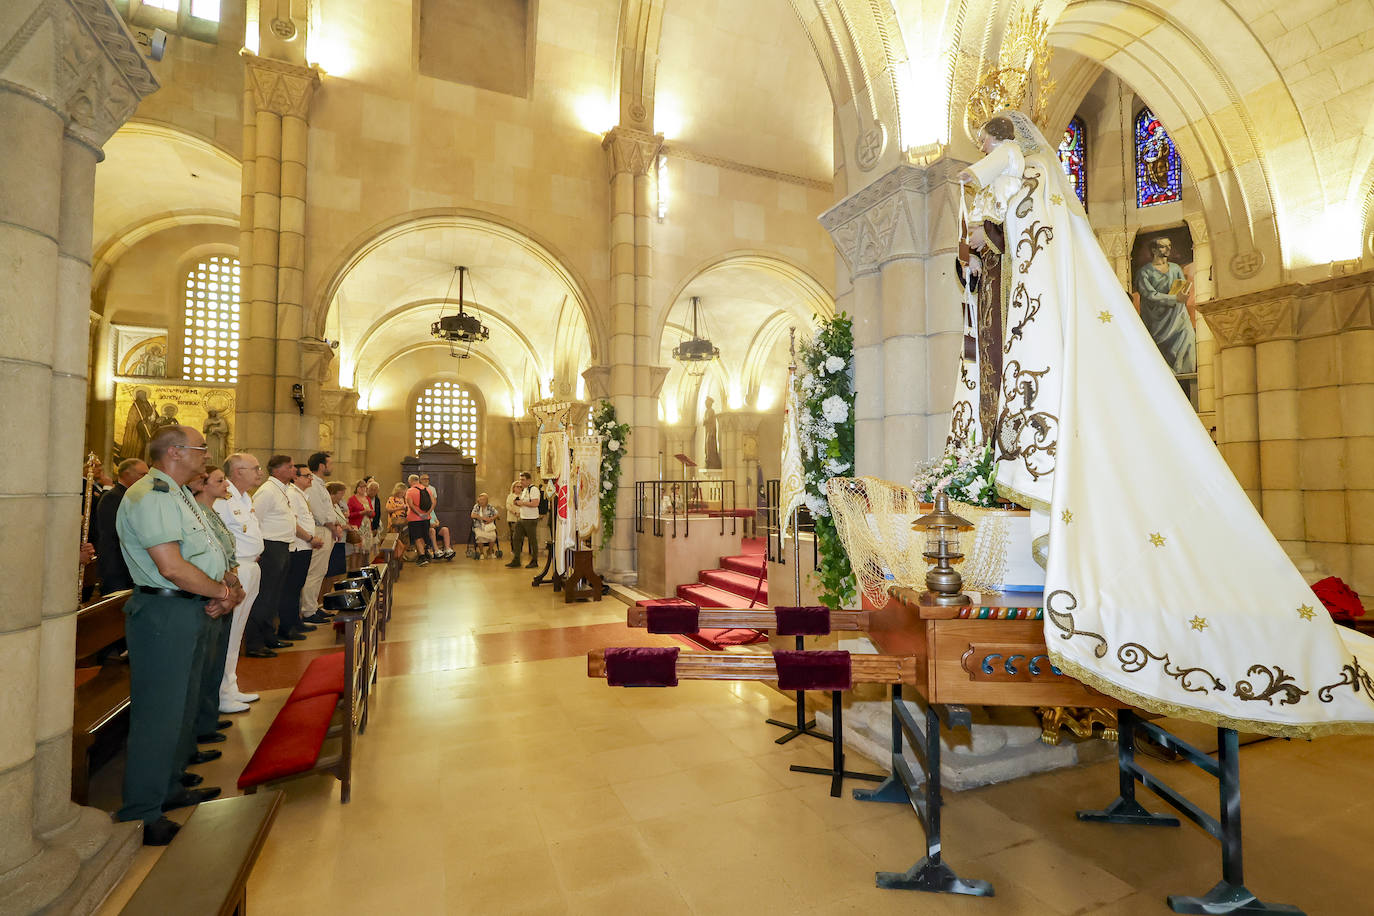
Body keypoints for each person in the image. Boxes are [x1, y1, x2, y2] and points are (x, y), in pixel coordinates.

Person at [947, 109, 1374, 737]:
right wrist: (977, 247)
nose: (982, 152)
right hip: (1015, 318)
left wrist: (987, 221)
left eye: (987, 142)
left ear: (1008, 139)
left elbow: (1010, 224)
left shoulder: (1031, 174)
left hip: (1040, 325)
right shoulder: (1017, 190)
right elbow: (990, 244)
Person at [113, 425, 238, 845]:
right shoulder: (152, 496)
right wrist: (222, 591)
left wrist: (226, 589)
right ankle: (143, 812)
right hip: (166, 609)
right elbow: (171, 566)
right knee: (159, 713)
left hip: (191, 606)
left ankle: (169, 787)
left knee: (183, 706)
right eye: (201, 449)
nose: (207, 454)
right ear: (175, 452)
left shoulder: (180, 493)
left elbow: (207, 550)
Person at [189, 465, 242, 742]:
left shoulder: (212, 513)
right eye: (220, 481)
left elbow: (224, 550)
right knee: (205, 662)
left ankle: (209, 718)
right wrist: (226, 589)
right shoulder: (195, 511)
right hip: (210, 592)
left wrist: (234, 587)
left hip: (226, 586)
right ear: (202, 485)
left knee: (215, 659)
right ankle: (201, 724)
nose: (226, 485)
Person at [214, 453, 264, 709]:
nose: (259, 472)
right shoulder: (223, 499)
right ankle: (222, 693)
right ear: (237, 471)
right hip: (236, 569)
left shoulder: (245, 498)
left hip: (251, 566)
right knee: (230, 630)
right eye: (255, 468)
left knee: (238, 631)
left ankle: (231, 686)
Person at [249, 455, 312, 658]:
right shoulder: (267, 491)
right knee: (265, 596)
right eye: (290, 466)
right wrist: (258, 549)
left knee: (274, 597)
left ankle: (269, 636)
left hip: (283, 546)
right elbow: (254, 520)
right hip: (270, 547)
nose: (294, 469)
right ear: (276, 470)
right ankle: (255, 643)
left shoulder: (281, 490)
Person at [1134, 236, 1196, 375]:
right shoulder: (1144, 272)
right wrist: (1175, 298)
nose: (1168, 249)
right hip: (1156, 319)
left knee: (1188, 334)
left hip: (1176, 315)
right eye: (1163, 246)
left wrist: (1182, 295)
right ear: (1154, 250)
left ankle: (1185, 374)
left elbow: (1181, 288)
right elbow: (1149, 295)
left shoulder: (1175, 268)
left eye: (1169, 245)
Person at [301, 452, 343, 624]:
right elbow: (320, 514)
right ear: (321, 466)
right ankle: (308, 611)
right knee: (314, 572)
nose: (331, 467)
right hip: (320, 530)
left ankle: (314, 605)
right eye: (329, 463)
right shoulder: (313, 485)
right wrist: (334, 528)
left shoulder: (319, 484)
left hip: (326, 530)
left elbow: (328, 511)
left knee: (320, 572)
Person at [96, 458, 148, 594]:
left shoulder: (133, 497)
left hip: (131, 567)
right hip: (117, 567)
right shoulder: (113, 497)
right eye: (142, 475)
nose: (147, 479)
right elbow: (116, 534)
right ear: (126, 474)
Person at [281, 464, 321, 639]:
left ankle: (295, 621)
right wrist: (310, 538)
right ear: (295, 478)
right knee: (291, 589)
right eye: (306, 476)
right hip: (297, 546)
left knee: (297, 587)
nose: (310, 479)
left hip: (304, 546)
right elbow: (293, 523)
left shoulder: (299, 495)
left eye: (311, 476)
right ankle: (287, 627)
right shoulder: (292, 494)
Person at [506, 471, 541, 569]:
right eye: (520, 479)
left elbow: (535, 503)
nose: (521, 482)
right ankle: (516, 559)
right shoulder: (525, 490)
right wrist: (517, 503)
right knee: (516, 538)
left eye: (523, 480)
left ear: (529, 480)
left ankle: (534, 560)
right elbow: (524, 502)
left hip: (531, 518)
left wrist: (522, 503)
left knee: (532, 540)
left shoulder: (533, 489)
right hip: (522, 517)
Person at [419, 473, 455, 559]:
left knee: (445, 529)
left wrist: (437, 522)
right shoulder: (422, 511)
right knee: (432, 530)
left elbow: (435, 519)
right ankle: (436, 550)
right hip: (427, 529)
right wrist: (432, 525)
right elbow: (424, 521)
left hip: (434, 525)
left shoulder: (431, 509)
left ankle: (447, 549)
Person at [405, 474, 434, 565]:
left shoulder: (410, 491)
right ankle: (426, 554)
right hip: (426, 518)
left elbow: (410, 504)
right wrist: (427, 513)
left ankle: (422, 557)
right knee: (424, 536)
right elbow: (433, 502)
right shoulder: (427, 490)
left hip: (414, 518)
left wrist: (419, 514)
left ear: (410, 481)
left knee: (417, 537)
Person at [347, 479, 374, 572]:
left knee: (364, 553)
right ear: (356, 488)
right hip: (357, 527)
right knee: (356, 552)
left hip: (366, 527)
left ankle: (362, 572)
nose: (363, 489)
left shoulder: (367, 499)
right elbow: (349, 515)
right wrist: (361, 512)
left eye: (365, 487)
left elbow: (373, 513)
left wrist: (370, 513)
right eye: (361, 487)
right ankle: (353, 572)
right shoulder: (352, 499)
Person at [470, 493, 499, 558]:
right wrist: (482, 518)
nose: (481, 501)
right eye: (480, 499)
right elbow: (472, 515)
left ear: (487, 500)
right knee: (479, 536)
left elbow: (497, 514)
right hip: (479, 526)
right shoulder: (476, 507)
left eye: (483, 499)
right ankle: (481, 553)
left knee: (493, 536)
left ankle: (490, 551)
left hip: (489, 526)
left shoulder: (490, 507)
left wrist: (491, 519)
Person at [504, 480, 521, 557]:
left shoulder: (523, 495)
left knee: (520, 535)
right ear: (513, 488)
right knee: (514, 535)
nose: (519, 488)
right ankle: (514, 550)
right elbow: (508, 506)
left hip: (521, 517)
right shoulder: (510, 496)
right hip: (512, 518)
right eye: (517, 487)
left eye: (521, 487)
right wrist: (514, 512)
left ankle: (519, 550)